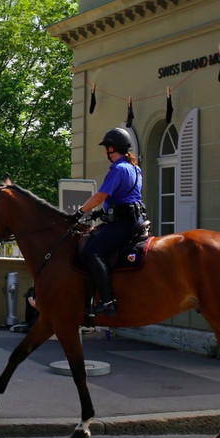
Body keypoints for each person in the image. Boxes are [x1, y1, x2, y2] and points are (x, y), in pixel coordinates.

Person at [72, 127, 145, 317]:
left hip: (122, 222)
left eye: (107, 147)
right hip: (135, 219)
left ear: (113, 148)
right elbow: (122, 197)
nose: (106, 151)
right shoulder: (135, 168)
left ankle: (107, 300)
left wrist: (80, 212)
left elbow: (101, 195)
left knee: (92, 252)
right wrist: (100, 214)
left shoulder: (118, 169)